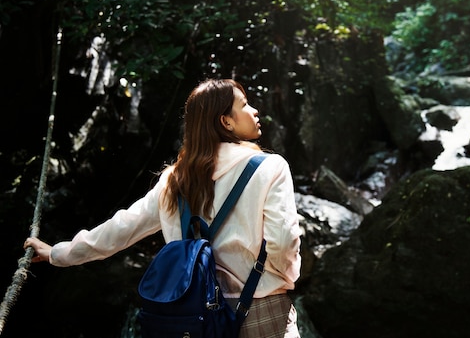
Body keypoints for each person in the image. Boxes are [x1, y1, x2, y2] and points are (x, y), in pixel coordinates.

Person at [24, 78, 302, 338]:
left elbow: (122, 229)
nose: (255, 111)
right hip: (263, 312)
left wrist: (57, 253)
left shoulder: (176, 179)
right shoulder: (271, 167)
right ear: (225, 121)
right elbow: (283, 242)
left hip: (191, 320)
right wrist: (282, 280)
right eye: (245, 105)